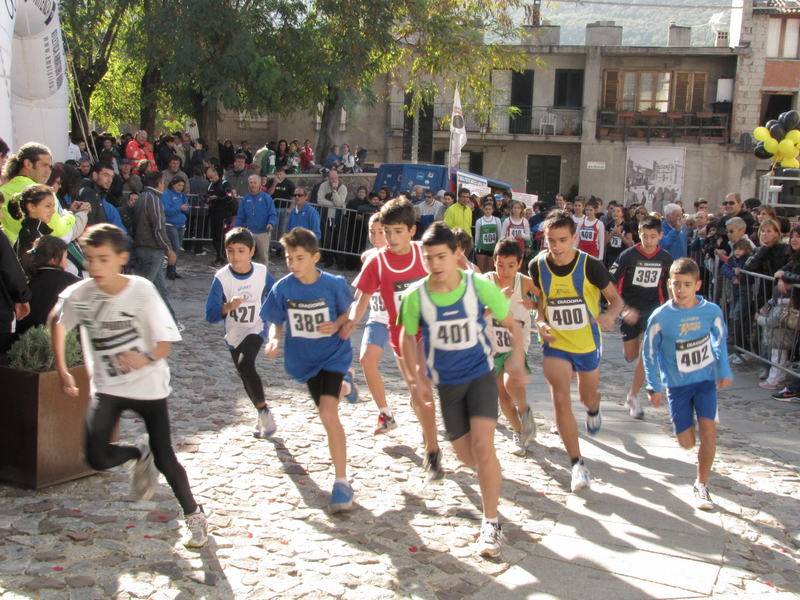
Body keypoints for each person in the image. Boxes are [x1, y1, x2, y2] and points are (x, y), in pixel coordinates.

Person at [49, 224, 207, 546]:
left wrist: (143, 357)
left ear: (122, 258)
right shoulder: (82, 295)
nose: (94, 267)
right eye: (90, 259)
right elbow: (59, 323)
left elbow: (165, 345)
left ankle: (194, 515)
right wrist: (63, 369)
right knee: (96, 457)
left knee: (166, 459)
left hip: (148, 387)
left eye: (103, 259)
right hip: (107, 388)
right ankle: (138, 452)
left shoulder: (141, 291)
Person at [398, 222, 529, 557]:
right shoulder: (416, 295)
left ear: (457, 254)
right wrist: (416, 377)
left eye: (441, 256)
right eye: (428, 258)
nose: (435, 264)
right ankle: (489, 478)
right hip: (447, 384)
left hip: (480, 375)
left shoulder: (476, 286)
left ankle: (491, 523)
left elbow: (512, 325)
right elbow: (405, 336)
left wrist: (515, 360)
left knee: (485, 448)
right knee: (466, 455)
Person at [344, 199, 444, 481]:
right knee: (416, 392)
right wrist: (349, 323)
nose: (390, 238)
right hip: (400, 336)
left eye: (397, 231)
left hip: (427, 331)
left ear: (412, 231)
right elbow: (361, 302)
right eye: (386, 231)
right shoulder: (376, 262)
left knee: (423, 388)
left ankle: (432, 449)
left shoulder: (424, 255)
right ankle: (428, 440)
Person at [262, 227, 357, 512]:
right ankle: (346, 385)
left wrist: (339, 324)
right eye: (289, 258)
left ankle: (342, 484)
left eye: (299, 258)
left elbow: (349, 312)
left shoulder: (333, 284)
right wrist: (274, 339)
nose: (293, 264)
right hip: (305, 360)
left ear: (315, 257)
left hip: (333, 354)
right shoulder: (284, 287)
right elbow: (275, 320)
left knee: (328, 414)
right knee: (327, 406)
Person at [529, 210, 624, 492]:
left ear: (574, 239)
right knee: (560, 398)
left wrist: (610, 316)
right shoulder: (537, 265)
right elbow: (541, 302)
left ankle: (594, 406)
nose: (556, 247)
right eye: (550, 241)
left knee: (586, 396)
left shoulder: (590, 265)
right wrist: (540, 321)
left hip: (587, 345)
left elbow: (616, 300)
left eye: (562, 240)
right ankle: (577, 464)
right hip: (556, 344)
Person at [643, 257, 732, 510]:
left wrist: (723, 369)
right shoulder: (660, 317)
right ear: (669, 283)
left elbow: (720, 340)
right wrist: (653, 385)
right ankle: (685, 430)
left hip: (705, 382)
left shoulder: (711, 311)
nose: (681, 290)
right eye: (676, 284)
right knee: (686, 441)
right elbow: (648, 353)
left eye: (687, 284)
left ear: (698, 285)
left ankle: (701, 485)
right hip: (677, 386)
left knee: (709, 432)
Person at [205, 227, 277, 437]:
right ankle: (260, 411)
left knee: (246, 364)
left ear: (251, 252)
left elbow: (275, 295)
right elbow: (210, 315)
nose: (235, 256)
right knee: (243, 372)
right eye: (230, 251)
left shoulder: (262, 273)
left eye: (241, 251)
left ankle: (264, 411)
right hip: (234, 332)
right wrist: (227, 307)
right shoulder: (221, 278)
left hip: (256, 326)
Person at [608, 216, 673, 419]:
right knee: (631, 355)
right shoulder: (628, 256)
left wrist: (671, 309)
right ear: (638, 233)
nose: (648, 240)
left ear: (660, 236)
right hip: (630, 309)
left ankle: (633, 395)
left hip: (653, 309)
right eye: (644, 236)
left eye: (653, 236)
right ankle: (633, 387)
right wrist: (623, 308)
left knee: (648, 353)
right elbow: (609, 283)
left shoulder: (665, 258)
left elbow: (670, 285)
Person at [484, 237, 538, 455]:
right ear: (494, 261)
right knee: (503, 398)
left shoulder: (524, 282)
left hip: (516, 342)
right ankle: (519, 433)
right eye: (500, 265)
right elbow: (476, 313)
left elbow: (547, 298)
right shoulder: (486, 282)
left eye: (511, 266)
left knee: (511, 382)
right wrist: (496, 301)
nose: (505, 272)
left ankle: (524, 410)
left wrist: (534, 304)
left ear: (520, 264)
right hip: (493, 345)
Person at [351, 214, 397, 434]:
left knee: (415, 372)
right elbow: (360, 292)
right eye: (372, 232)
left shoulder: (402, 255)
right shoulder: (368, 257)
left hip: (402, 322)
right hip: (378, 318)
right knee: (366, 360)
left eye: (381, 232)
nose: (377, 237)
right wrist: (349, 318)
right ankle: (385, 413)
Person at [1, 143, 87, 245]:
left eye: (50, 166)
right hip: (35, 256)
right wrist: (70, 215)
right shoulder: (41, 192)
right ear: (28, 164)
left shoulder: (2, 190)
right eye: (44, 165)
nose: (48, 171)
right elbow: (58, 231)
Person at [132, 171, 179, 327]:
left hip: (146, 249)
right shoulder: (153, 199)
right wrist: (169, 250)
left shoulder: (142, 198)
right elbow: (158, 228)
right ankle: (131, 324)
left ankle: (171, 323)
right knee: (143, 290)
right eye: (163, 182)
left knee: (160, 290)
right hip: (151, 250)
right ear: (159, 183)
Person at [16, 236, 80, 336]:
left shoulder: (25, 284)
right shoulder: (74, 282)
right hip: (64, 343)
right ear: (54, 259)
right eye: (65, 257)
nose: (66, 262)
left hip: (26, 343)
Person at [234, 174, 277, 266]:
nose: (253, 184)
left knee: (264, 258)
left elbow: (273, 214)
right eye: (251, 183)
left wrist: (271, 223)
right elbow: (240, 216)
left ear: (260, 184)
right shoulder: (245, 199)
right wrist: (236, 228)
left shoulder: (266, 198)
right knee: (246, 257)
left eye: (255, 182)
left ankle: (264, 277)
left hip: (263, 232)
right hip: (249, 232)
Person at [9, 184, 57, 259]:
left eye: (53, 206)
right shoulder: (30, 235)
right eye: (48, 206)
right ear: (32, 207)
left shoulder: (36, 231)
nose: (53, 211)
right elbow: (28, 268)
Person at [160, 174, 190, 280]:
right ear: (173, 185)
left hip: (181, 224)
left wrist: (185, 209)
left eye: (182, 186)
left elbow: (187, 209)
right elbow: (166, 210)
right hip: (170, 224)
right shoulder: (166, 195)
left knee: (177, 249)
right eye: (178, 185)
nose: (180, 188)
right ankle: (170, 270)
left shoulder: (182, 195)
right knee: (175, 247)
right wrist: (180, 208)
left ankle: (173, 269)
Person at [206, 167, 236, 267]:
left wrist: (218, 198)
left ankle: (222, 257)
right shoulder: (210, 185)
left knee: (221, 236)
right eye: (209, 178)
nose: (211, 179)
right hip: (213, 213)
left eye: (212, 177)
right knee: (214, 237)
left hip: (223, 214)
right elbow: (207, 196)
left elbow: (230, 197)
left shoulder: (224, 184)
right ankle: (219, 256)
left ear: (216, 174)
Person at [75, 161, 115, 227]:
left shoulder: (96, 192)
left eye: (112, 177)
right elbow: (88, 222)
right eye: (106, 175)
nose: (110, 180)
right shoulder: (89, 193)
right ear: (95, 175)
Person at [474, 198, 502, 274]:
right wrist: (476, 247)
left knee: (490, 271)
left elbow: (499, 233)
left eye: (490, 209)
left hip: (492, 247)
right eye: (486, 209)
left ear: (492, 210)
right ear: (483, 209)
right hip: (482, 247)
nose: (488, 211)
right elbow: (477, 234)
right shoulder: (479, 221)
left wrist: (499, 246)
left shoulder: (497, 220)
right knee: (480, 270)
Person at [605, 204, 633, 268]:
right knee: (612, 273)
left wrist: (619, 234)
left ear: (622, 214)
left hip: (623, 254)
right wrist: (612, 232)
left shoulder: (626, 226)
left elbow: (629, 244)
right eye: (614, 211)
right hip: (611, 254)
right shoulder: (609, 225)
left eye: (618, 211)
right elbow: (605, 241)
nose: (615, 213)